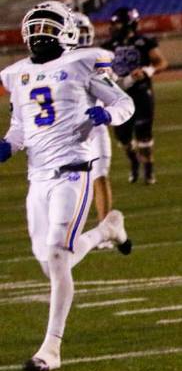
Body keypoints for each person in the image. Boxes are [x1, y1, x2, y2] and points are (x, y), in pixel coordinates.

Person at [0, 1, 134, 371]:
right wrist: (8, 145)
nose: (39, 35)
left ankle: (51, 349)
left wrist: (107, 114)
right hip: (37, 176)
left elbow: (124, 103)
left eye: (47, 28)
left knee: (58, 256)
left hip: (74, 171)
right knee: (50, 263)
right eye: (35, 29)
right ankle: (107, 229)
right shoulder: (17, 74)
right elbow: (20, 127)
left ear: (67, 32)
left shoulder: (82, 63)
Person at [101, 6, 168, 185]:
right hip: (117, 96)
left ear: (128, 24)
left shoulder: (144, 42)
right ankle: (134, 161)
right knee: (123, 137)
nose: (113, 27)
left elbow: (161, 62)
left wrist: (147, 71)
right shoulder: (107, 47)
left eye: (117, 23)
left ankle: (149, 169)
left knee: (143, 134)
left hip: (141, 93)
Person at [71, 12, 114, 229]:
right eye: (77, 32)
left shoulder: (99, 58)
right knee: (69, 183)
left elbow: (113, 91)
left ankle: (104, 229)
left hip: (96, 127)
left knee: (100, 176)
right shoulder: (56, 63)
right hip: (68, 131)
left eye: (84, 32)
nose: (81, 37)